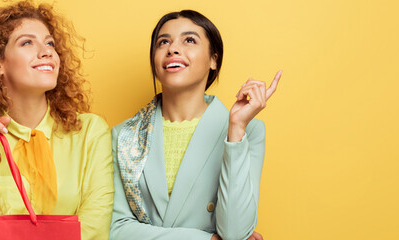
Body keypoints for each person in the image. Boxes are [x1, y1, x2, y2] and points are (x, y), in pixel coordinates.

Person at [0, 1, 114, 239]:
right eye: (27, 42)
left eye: (50, 43)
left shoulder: (90, 132)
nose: (47, 52)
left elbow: (94, 226)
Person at [110, 10, 280, 240]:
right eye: (163, 42)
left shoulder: (249, 130)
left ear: (214, 59)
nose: (172, 49)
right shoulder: (124, 135)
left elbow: (236, 232)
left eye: (189, 40)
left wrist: (236, 130)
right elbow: (116, 228)